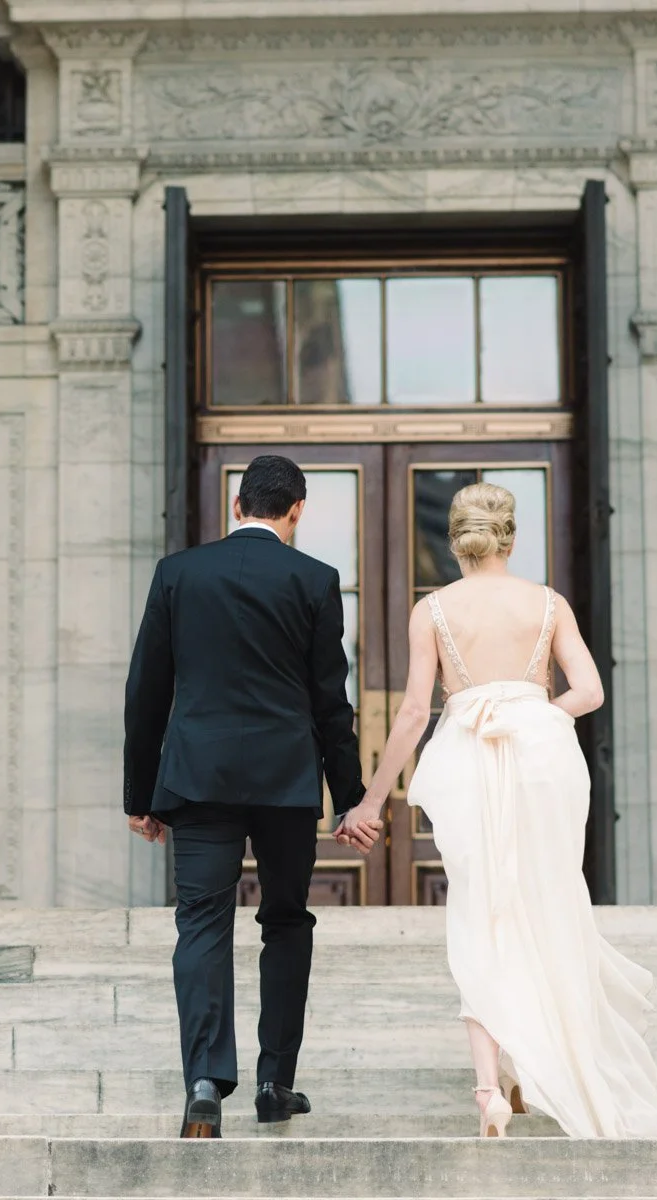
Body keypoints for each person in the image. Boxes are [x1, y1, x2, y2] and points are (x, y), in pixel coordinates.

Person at [335, 482, 657, 1138]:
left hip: (465, 755)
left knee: (481, 910)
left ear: (458, 540)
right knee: (544, 902)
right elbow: (590, 691)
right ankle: (531, 1066)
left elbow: (410, 713)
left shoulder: (433, 611)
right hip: (543, 755)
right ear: (511, 536)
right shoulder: (548, 604)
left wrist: (370, 800)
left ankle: (490, 1086)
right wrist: (535, 714)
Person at [123, 454, 377, 1139]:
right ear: (295, 511)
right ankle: (273, 1083)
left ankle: (204, 1083)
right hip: (286, 782)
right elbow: (332, 704)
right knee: (286, 922)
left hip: (197, 778)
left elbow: (146, 690)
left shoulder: (178, 574)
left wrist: (139, 794)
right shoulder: (316, 581)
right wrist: (352, 796)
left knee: (201, 923)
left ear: (237, 508)